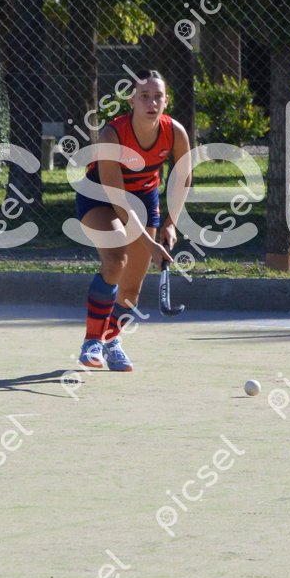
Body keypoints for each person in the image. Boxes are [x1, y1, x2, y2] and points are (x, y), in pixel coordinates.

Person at [75, 69, 191, 371]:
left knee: (130, 291)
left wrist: (170, 223)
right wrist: (151, 244)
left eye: (157, 97)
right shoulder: (112, 135)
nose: (151, 103)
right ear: (132, 101)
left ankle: (111, 340)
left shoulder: (175, 132)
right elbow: (118, 200)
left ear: (166, 101)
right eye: (144, 97)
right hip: (101, 197)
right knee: (116, 261)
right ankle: (92, 342)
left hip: (144, 199)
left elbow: (183, 178)